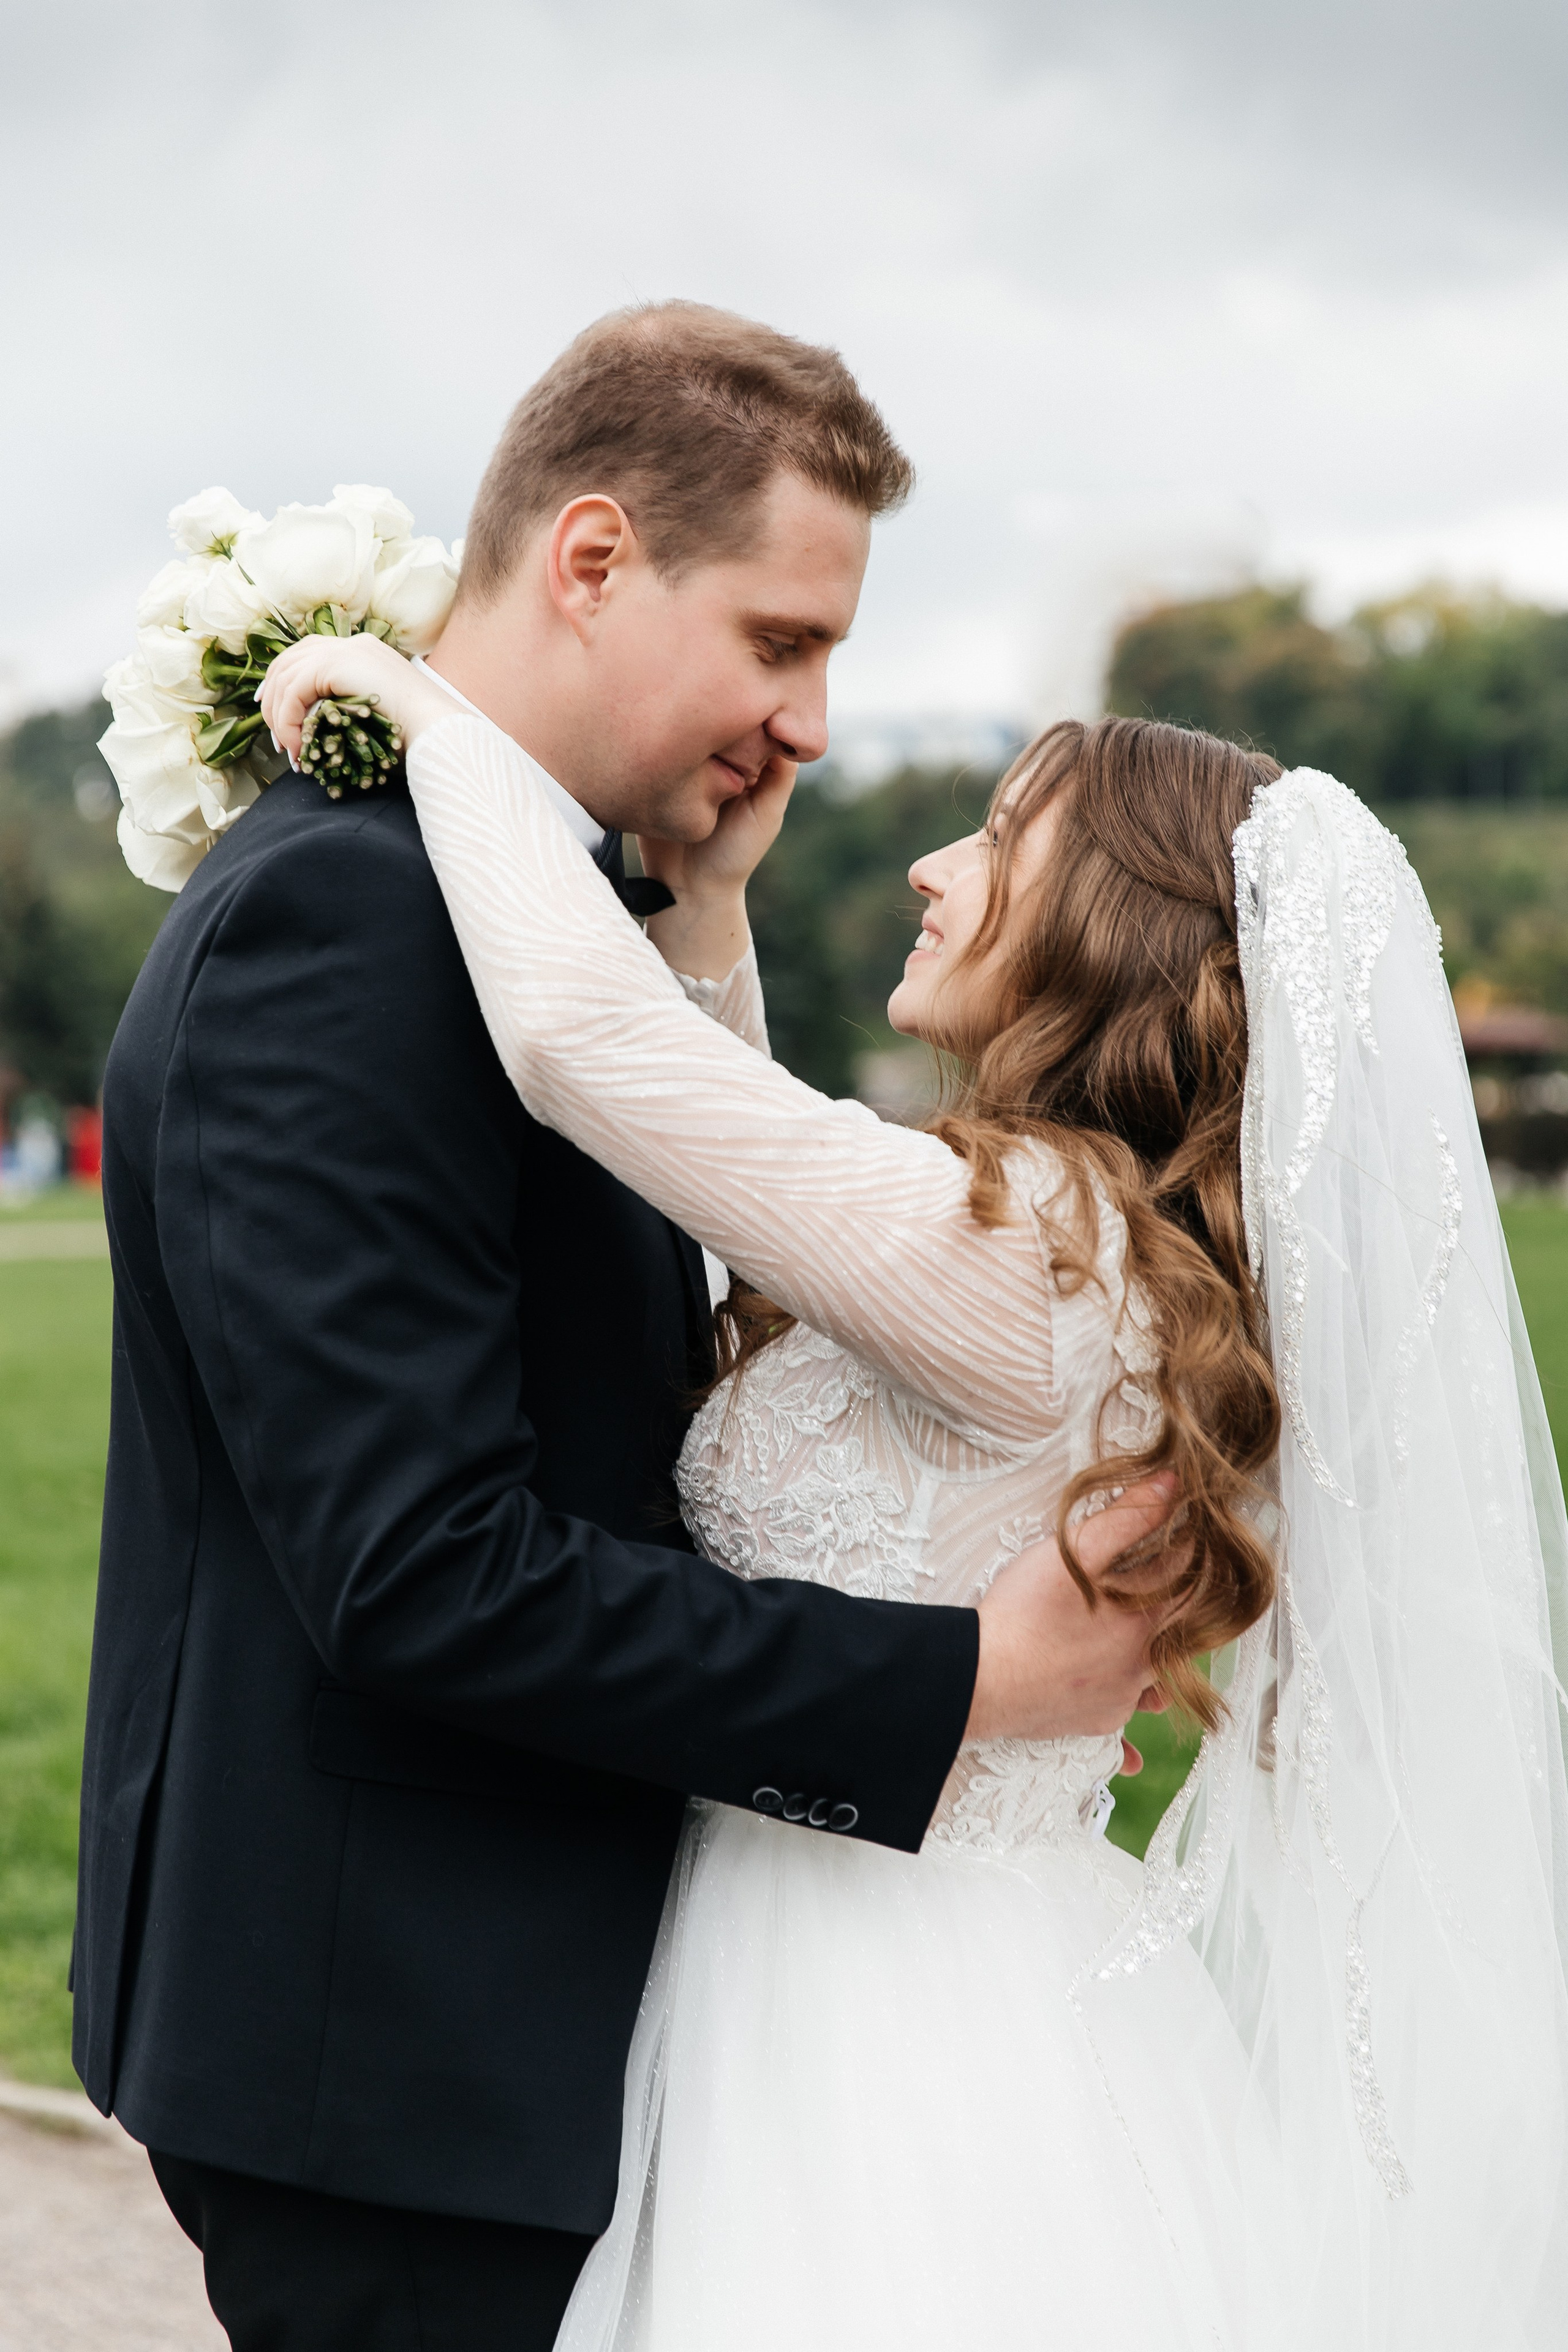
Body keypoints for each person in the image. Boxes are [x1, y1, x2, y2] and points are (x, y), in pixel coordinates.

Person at [264, 612, 1568, 2346]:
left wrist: (439, 722)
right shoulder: (1069, 1234)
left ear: (1108, 924)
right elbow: (746, 1159)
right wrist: (713, 911)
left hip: (874, 2021)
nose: (927, 866)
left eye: (998, 840)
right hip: (933, 1951)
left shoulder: (1022, 1250)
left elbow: (591, 1054)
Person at [75, 304, 1172, 2352]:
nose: (822, 723)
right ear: (592, 561)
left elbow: (697, 1202)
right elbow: (417, 1570)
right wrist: (955, 1683)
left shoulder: (526, 917)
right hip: (396, 2055)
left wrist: (688, 909)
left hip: (538, 2043)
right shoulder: (354, 919)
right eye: (783, 639)